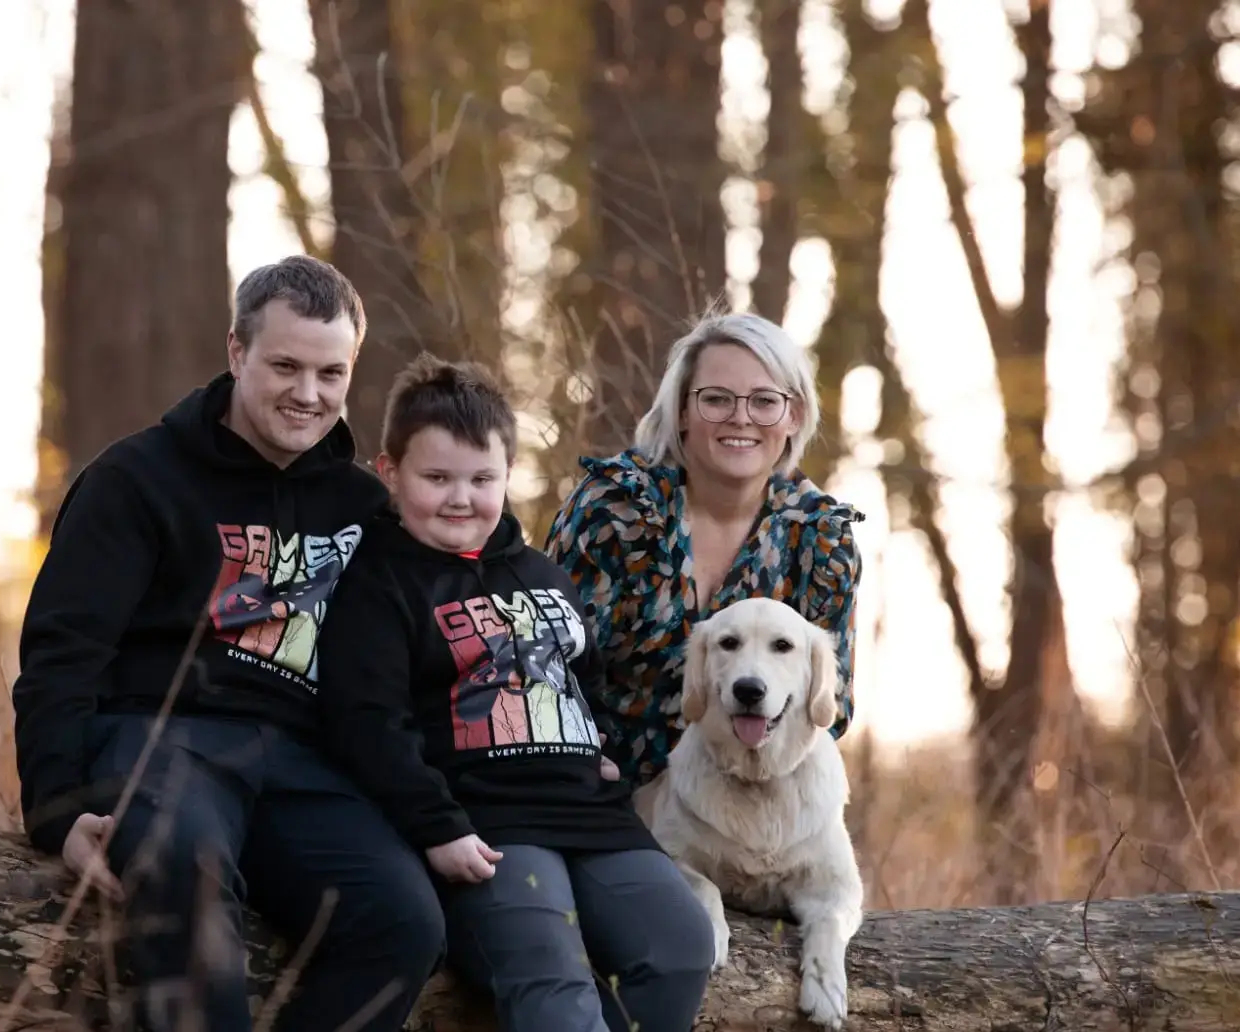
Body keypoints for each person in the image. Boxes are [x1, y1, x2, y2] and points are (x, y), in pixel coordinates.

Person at [10, 255, 445, 1032]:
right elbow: (62, 653)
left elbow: (421, 650)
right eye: (285, 366)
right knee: (188, 875)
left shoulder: (363, 507)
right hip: (160, 740)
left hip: (303, 763)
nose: (308, 394)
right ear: (237, 352)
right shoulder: (136, 479)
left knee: (404, 921)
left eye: (331, 373)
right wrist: (54, 808)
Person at [315, 354, 715, 1032]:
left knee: (679, 946)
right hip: (487, 826)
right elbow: (368, 722)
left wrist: (594, 743)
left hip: (589, 816)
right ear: (390, 472)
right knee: (552, 975)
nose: (460, 498)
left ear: (508, 475)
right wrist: (436, 826)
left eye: (482, 479)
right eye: (436, 478)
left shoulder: (541, 574)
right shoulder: (379, 584)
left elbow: (581, 671)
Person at [545, 308, 864, 785]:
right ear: (681, 411)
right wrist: (577, 764)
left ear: (793, 415)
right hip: (603, 785)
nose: (741, 417)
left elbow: (827, 709)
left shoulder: (821, 539)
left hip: (746, 792)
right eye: (716, 399)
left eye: (765, 401)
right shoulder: (614, 512)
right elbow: (546, 667)